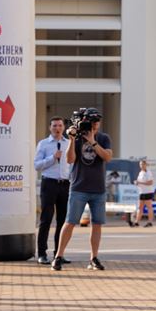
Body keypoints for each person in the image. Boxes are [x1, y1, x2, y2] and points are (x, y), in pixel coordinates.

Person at [52, 108, 113, 272]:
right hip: (79, 187)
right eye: (92, 122)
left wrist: (93, 141)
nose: (94, 125)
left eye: (97, 122)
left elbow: (107, 157)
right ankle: (58, 256)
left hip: (98, 188)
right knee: (70, 222)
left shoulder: (103, 138)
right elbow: (70, 159)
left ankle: (93, 258)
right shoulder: (77, 138)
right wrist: (72, 140)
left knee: (97, 224)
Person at [34, 116, 71, 265]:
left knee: (63, 221)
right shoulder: (43, 144)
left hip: (65, 184)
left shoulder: (68, 143)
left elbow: (72, 164)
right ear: (50, 128)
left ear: (63, 128)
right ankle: (42, 253)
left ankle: (59, 254)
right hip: (49, 184)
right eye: (54, 125)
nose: (57, 128)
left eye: (60, 126)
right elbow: (37, 165)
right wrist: (52, 158)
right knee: (46, 220)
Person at [134, 160, 155, 228]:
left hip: (148, 192)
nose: (141, 166)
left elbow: (150, 182)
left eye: (143, 164)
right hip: (141, 192)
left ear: (146, 165)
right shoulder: (140, 173)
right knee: (140, 207)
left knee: (149, 207)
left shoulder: (148, 172)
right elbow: (139, 182)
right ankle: (137, 222)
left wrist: (140, 183)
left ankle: (150, 222)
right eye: (140, 164)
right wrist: (137, 183)